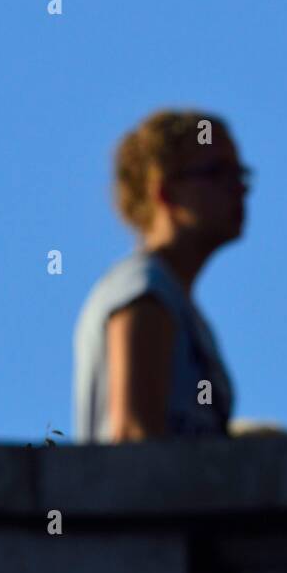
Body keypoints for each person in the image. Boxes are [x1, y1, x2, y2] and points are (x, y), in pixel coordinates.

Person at [73, 109, 247, 443]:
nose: (239, 188)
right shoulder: (143, 288)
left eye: (241, 174)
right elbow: (134, 435)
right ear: (165, 190)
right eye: (217, 172)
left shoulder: (176, 302)